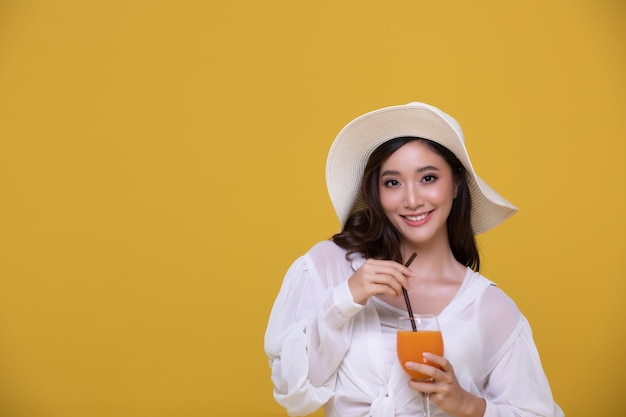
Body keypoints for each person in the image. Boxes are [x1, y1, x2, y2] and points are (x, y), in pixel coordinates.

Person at [264, 102, 564, 417]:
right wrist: (344, 299)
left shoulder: (490, 308)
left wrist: (467, 404)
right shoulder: (329, 267)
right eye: (392, 182)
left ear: (456, 183)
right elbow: (293, 395)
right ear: (376, 193)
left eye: (428, 178)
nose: (411, 200)